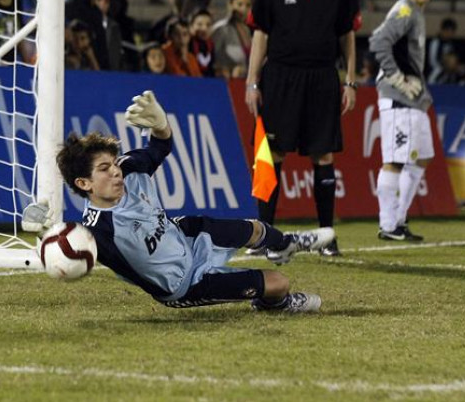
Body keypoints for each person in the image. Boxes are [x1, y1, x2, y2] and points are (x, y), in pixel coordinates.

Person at [26, 90, 333, 312]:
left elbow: (161, 146)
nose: (116, 172)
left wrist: (161, 125)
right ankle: (273, 304)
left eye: (114, 163)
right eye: (105, 170)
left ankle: (283, 244)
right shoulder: (98, 233)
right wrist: (46, 233)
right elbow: (70, 250)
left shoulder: (131, 168)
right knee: (278, 283)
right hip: (185, 283)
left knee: (255, 228)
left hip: (185, 234)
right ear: (84, 184)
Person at [244, 0, 360, 256]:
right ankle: (263, 234)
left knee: (323, 155)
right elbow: (261, 31)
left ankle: (327, 236)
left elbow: (347, 34)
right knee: (272, 154)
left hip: (322, 77)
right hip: (280, 76)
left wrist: (351, 81)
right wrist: (251, 82)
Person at [369, 0, 436, 241]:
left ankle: (398, 218)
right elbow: (377, 41)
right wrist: (397, 78)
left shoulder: (416, 11)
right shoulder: (405, 10)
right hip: (399, 98)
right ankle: (388, 225)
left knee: (423, 157)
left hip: (414, 99)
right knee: (395, 160)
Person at [212, 0, 253, 79]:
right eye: (239, 4)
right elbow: (214, 61)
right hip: (228, 83)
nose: (244, 9)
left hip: (248, 84)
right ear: (230, 4)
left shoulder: (253, 31)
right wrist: (228, 70)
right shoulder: (221, 29)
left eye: (248, 5)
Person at [426, 18, 458, 84]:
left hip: (446, 74)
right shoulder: (435, 42)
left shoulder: (450, 44)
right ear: (443, 30)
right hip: (434, 74)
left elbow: (452, 59)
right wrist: (445, 62)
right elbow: (433, 61)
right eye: (448, 32)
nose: (449, 35)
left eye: (452, 33)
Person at [188, 9, 215, 77]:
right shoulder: (187, 44)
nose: (204, 29)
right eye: (199, 24)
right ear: (191, 26)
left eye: (208, 25)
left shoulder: (211, 45)